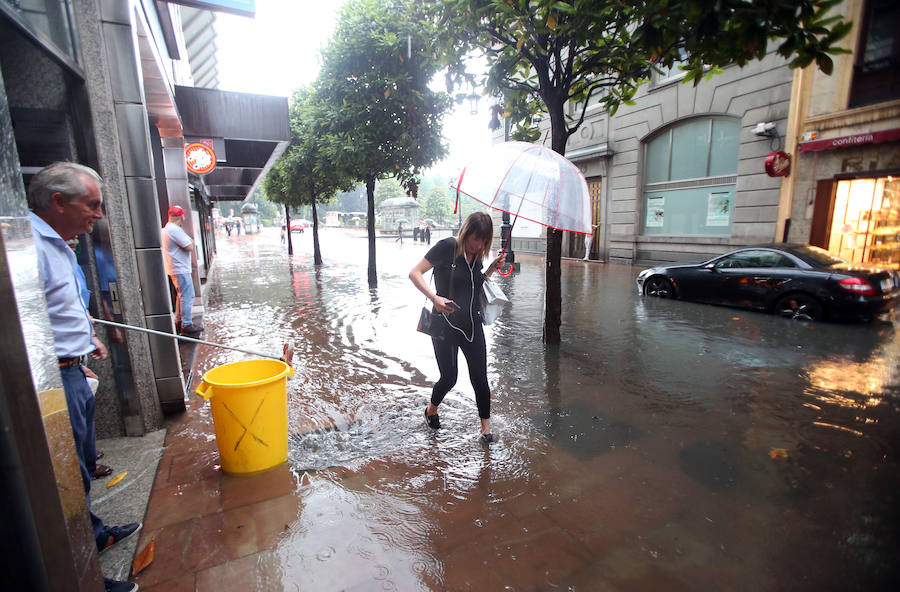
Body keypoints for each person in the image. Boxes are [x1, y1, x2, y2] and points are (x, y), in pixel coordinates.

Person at [28, 162, 141, 592]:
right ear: (58, 201)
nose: (98, 214)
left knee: (81, 466)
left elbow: (60, 309)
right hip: (53, 381)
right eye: (92, 205)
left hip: (72, 370)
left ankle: (92, 536)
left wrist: (84, 341)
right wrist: (59, 363)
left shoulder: (62, 245)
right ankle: (82, 578)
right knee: (65, 480)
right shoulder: (29, 248)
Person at [409, 212, 506, 443]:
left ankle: (486, 430)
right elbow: (415, 273)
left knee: (480, 379)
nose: (478, 245)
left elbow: (473, 284)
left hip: (472, 325)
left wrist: (490, 269)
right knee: (449, 377)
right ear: (466, 233)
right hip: (444, 325)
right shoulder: (447, 247)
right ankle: (431, 410)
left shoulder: (477, 257)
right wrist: (435, 298)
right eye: (475, 239)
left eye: (484, 241)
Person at [162, 205, 203, 335]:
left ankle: (179, 320)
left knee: (181, 295)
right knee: (187, 295)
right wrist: (190, 241)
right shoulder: (175, 230)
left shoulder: (167, 229)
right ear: (180, 216)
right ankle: (186, 324)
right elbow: (189, 246)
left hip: (175, 268)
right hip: (180, 268)